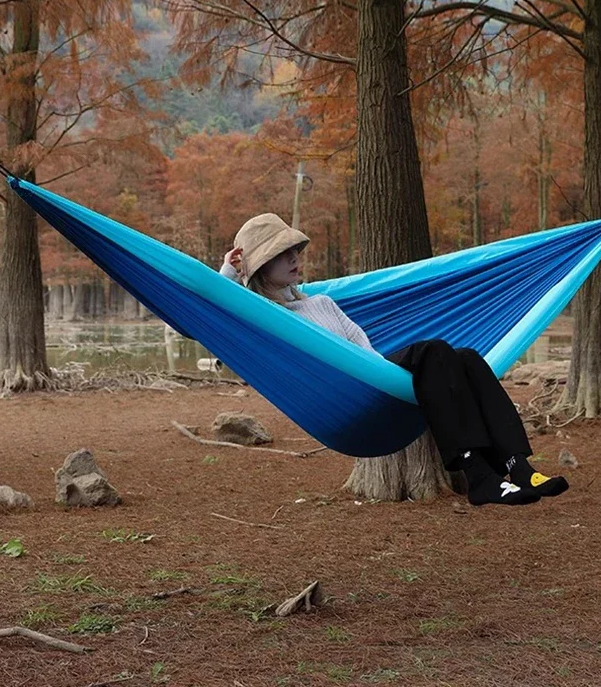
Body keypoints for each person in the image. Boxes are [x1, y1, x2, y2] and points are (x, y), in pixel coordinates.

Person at [221, 213, 569, 508]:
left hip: (372, 379)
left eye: (295, 250)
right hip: (344, 399)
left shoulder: (322, 303)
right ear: (261, 266)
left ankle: (517, 464)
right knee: (432, 351)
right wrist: (229, 272)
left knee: (466, 358)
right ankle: (477, 473)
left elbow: (364, 349)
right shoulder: (264, 316)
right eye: (282, 254)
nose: (295, 258)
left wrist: (392, 381)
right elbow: (214, 316)